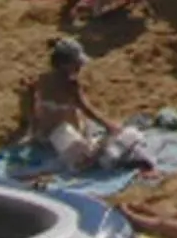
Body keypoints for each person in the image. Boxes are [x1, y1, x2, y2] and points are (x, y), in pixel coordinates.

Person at [19, 38, 147, 171]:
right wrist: (109, 125)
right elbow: (86, 109)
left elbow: (33, 105)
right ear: (64, 64)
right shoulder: (70, 84)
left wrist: (33, 131)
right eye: (76, 64)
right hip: (60, 135)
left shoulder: (42, 79)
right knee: (90, 161)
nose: (80, 67)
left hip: (45, 134)